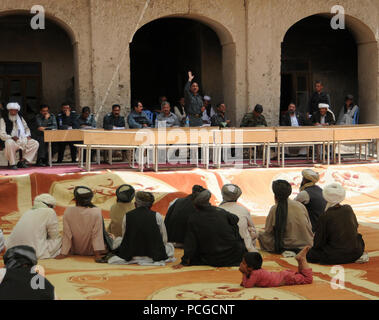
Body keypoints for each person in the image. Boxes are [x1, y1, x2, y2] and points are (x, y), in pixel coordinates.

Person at [174, 189, 245, 268]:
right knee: (232, 224)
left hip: (211, 258)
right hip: (233, 256)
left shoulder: (193, 218)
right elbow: (235, 219)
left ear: (195, 206)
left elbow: (191, 243)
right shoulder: (220, 211)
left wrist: (184, 261)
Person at [307, 183, 365, 265]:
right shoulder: (348, 209)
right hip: (355, 252)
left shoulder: (325, 215)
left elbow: (318, 242)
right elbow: (355, 226)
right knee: (359, 239)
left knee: (310, 255)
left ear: (325, 196)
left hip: (334, 256)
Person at [115, 191, 174, 263]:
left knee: (117, 240)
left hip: (132, 254)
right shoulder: (157, 215)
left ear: (135, 204)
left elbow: (125, 237)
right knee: (170, 247)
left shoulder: (127, 215)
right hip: (153, 254)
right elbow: (164, 239)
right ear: (151, 205)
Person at [258, 180, 313, 254]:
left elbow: (268, 231)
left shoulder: (275, 208)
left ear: (275, 194)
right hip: (307, 244)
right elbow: (309, 226)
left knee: (258, 234)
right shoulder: (300, 205)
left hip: (287, 246)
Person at [56, 186, 108, 262]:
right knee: (110, 237)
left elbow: (67, 234)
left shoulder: (68, 211)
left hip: (75, 250)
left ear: (75, 198)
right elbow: (97, 235)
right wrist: (97, 255)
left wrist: (63, 253)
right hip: (91, 251)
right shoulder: (96, 212)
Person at [5, 194, 61, 259]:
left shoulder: (27, 212)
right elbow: (54, 234)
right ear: (49, 205)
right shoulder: (50, 211)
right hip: (34, 252)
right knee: (59, 240)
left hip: (11, 250)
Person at [240, 246, 312, 288]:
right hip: (284, 275)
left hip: (286, 278)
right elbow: (243, 283)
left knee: (308, 279)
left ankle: (302, 259)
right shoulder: (256, 271)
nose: (241, 264)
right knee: (302, 275)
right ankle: (300, 260)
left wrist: (244, 272)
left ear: (250, 267)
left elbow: (247, 285)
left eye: (243, 263)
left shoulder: (255, 273)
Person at [219, 184, 257, 252]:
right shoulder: (243, 210)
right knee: (251, 230)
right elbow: (253, 228)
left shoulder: (217, 210)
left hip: (222, 248)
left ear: (223, 194)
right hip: (243, 247)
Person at [0, 102, 39, 169]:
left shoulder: (20, 118)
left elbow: (26, 128)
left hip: (22, 139)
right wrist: (11, 137)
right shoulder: (3, 119)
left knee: (35, 143)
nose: (13, 112)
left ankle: (22, 161)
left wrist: (27, 135)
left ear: (17, 111)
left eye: (15, 110)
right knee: (9, 142)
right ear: (9, 110)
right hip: (12, 141)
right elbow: (2, 134)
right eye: (11, 110)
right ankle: (13, 164)